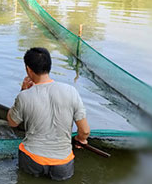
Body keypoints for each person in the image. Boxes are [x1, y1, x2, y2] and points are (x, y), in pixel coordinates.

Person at [7, 47, 90, 181]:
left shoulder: (24, 96)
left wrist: (22, 91)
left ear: (28, 69)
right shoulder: (71, 91)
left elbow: (12, 122)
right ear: (49, 66)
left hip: (32, 160)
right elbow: (85, 131)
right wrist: (81, 140)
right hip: (63, 164)